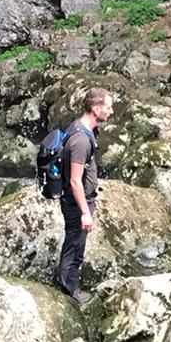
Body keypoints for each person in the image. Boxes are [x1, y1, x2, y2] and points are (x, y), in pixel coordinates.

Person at [55, 86, 115, 304]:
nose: (111, 111)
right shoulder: (80, 140)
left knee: (75, 243)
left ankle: (67, 284)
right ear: (95, 108)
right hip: (76, 203)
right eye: (108, 107)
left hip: (80, 199)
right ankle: (69, 291)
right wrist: (84, 213)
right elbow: (74, 180)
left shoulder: (83, 128)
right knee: (75, 245)